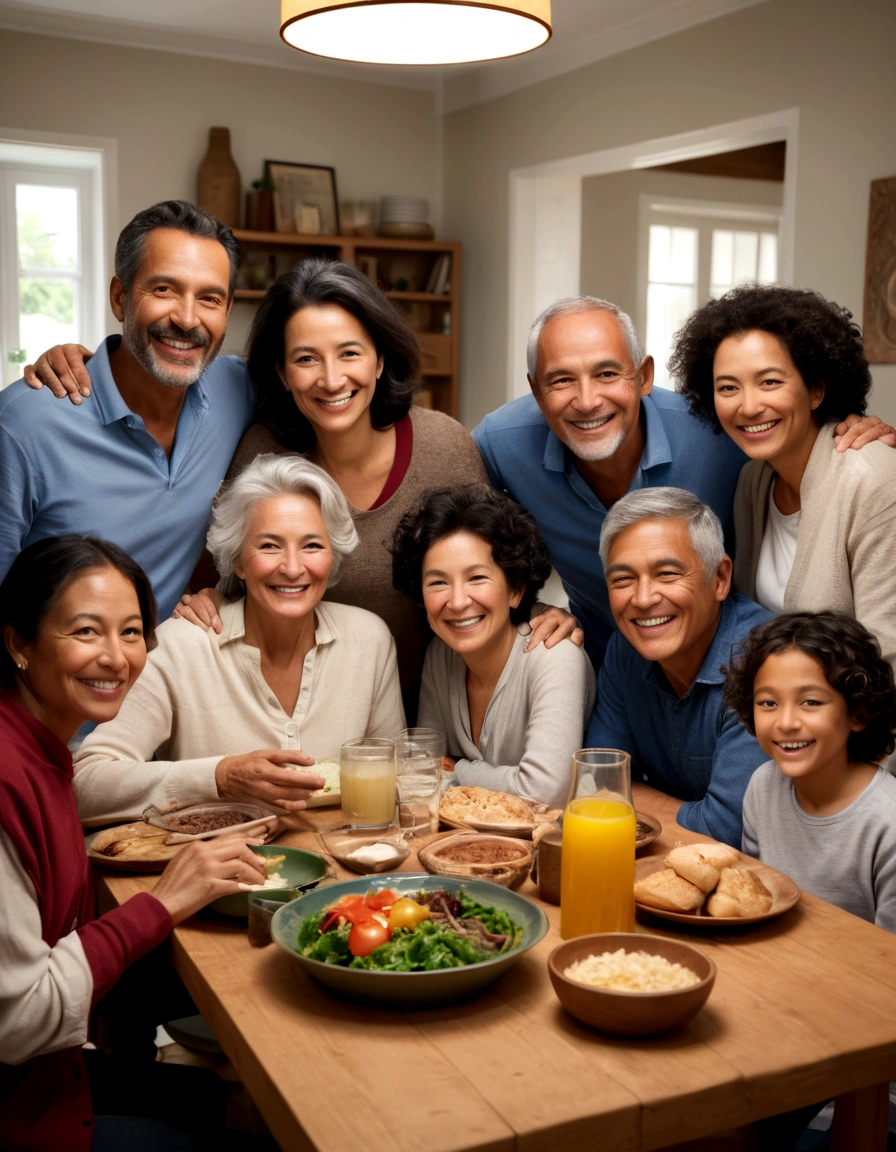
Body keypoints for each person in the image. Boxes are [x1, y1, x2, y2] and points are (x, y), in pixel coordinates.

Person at [171, 259, 578, 717]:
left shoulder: (443, 448)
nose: (331, 378)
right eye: (306, 358)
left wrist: (540, 613)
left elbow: (494, 569)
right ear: (282, 374)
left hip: (436, 719)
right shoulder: (263, 453)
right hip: (311, 720)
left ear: (380, 359)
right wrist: (211, 598)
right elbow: (235, 578)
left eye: (349, 353)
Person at [0, 535, 267, 1150]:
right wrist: (160, 904)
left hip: (44, 1071)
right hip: (24, 1105)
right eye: (87, 632)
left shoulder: (41, 749)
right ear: (19, 642)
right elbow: (20, 1019)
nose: (117, 658)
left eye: (131, 632)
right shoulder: (8, 776)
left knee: (219, 1100)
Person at [473, 295, 896, 669]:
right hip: (605, 664)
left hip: (737, 685)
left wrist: (858, 434)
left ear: (643, 377)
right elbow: (458, 543)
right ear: (535, 389)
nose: (587, 401)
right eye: (562, 380)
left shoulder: (726, 443)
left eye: (606, 374)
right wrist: (528, 606)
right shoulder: (499, 443)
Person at [73, 454, 404, 825]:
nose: (293, 568)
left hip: (344, 874)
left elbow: (398, 780)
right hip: (214, 874)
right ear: (238, 561)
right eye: (269, 546)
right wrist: (220, 777)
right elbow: (85, 786)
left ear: (333, 555)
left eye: (312, 545)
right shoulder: (181, 646)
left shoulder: (369, 639)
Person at [2, 200, 256, 618]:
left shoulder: (238, 388)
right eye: (163, 290)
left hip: (165, 669)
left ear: (227, 312)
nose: (187, 319)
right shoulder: (23, 425)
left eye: (210, 298)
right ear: (120, 298)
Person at [670, 284, 896, 676]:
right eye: (728, 387)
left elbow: (888, 658)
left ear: (816, 390)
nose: (749, 406)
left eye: (770, 382)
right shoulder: (752, 482)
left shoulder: (871, 479)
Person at [585, 487, 771, 846]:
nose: (643, 599)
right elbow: (598, 784)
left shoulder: (765, 661)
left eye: (667, 574)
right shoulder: (625, 648)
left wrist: (626, 797)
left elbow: (725, 830)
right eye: (622, 579)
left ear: (719, 579)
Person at [391, 485, 595, 808]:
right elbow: (424, 773)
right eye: (438, 582)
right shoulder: (441, 656)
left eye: (477, 578)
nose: (458, 602)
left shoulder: (555, 655)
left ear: (515, 589)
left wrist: (457, 769)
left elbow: (545, 791)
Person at [725, 611, 896, 930]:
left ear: (858, 713)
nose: (786, 722)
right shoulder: (763, 786)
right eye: (768, 703)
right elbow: (754, 900)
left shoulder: (888, 823)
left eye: (811, 702)